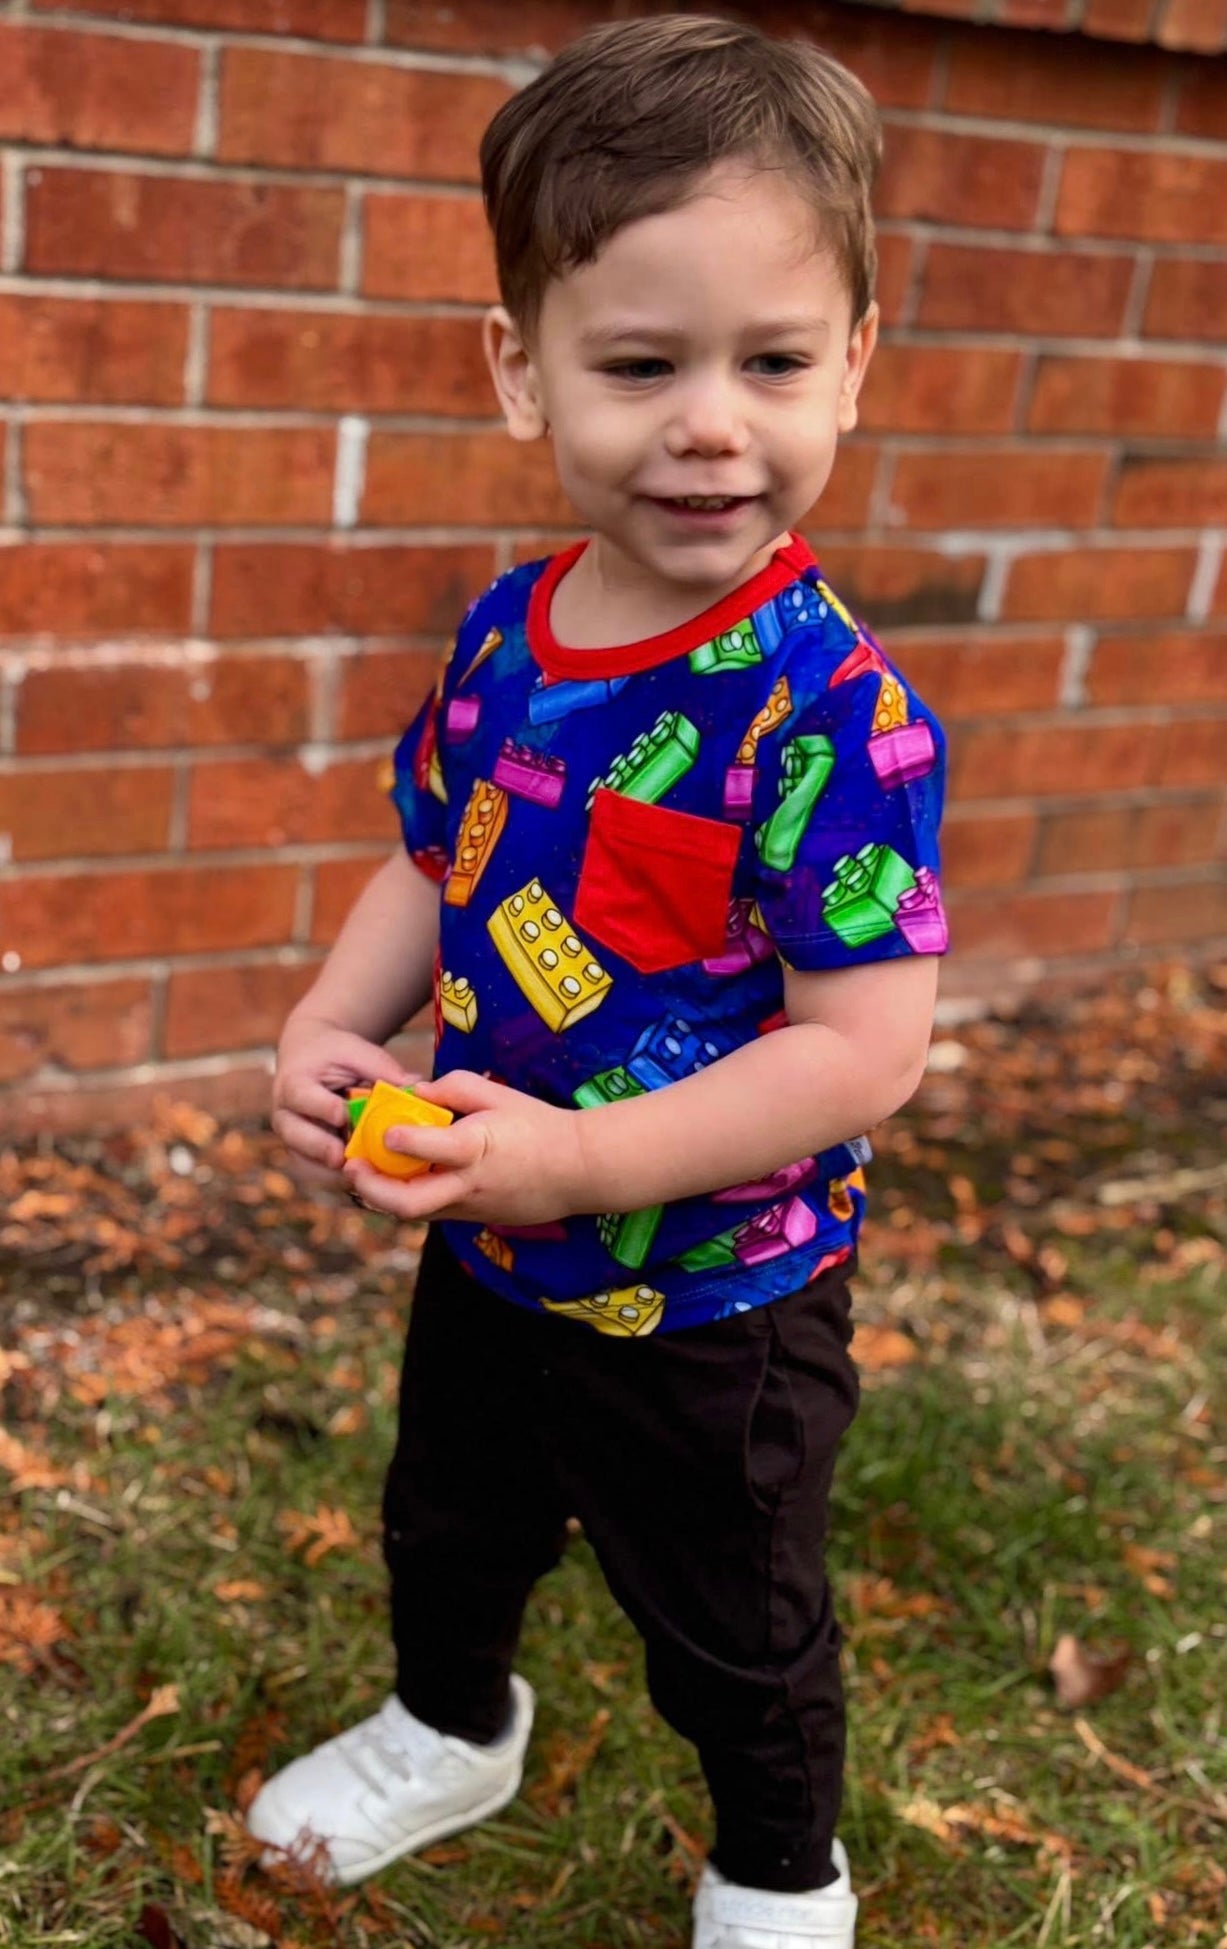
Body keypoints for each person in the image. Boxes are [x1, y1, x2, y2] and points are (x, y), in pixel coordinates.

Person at [251, 15, 949, 1947]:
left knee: (734, 1614)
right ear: (521, 368)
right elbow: (434, 848)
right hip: (489, 1236)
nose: (710, 421)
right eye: (642, 364)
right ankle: (448, 1720)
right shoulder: (511, 633)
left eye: (775, 362)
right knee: (448, 1521)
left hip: (717, 1297)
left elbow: (867, 1047)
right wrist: (332, 1022)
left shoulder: (831, 714)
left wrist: (592, 1157)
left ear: (856, 367)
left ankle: (779, 1871)